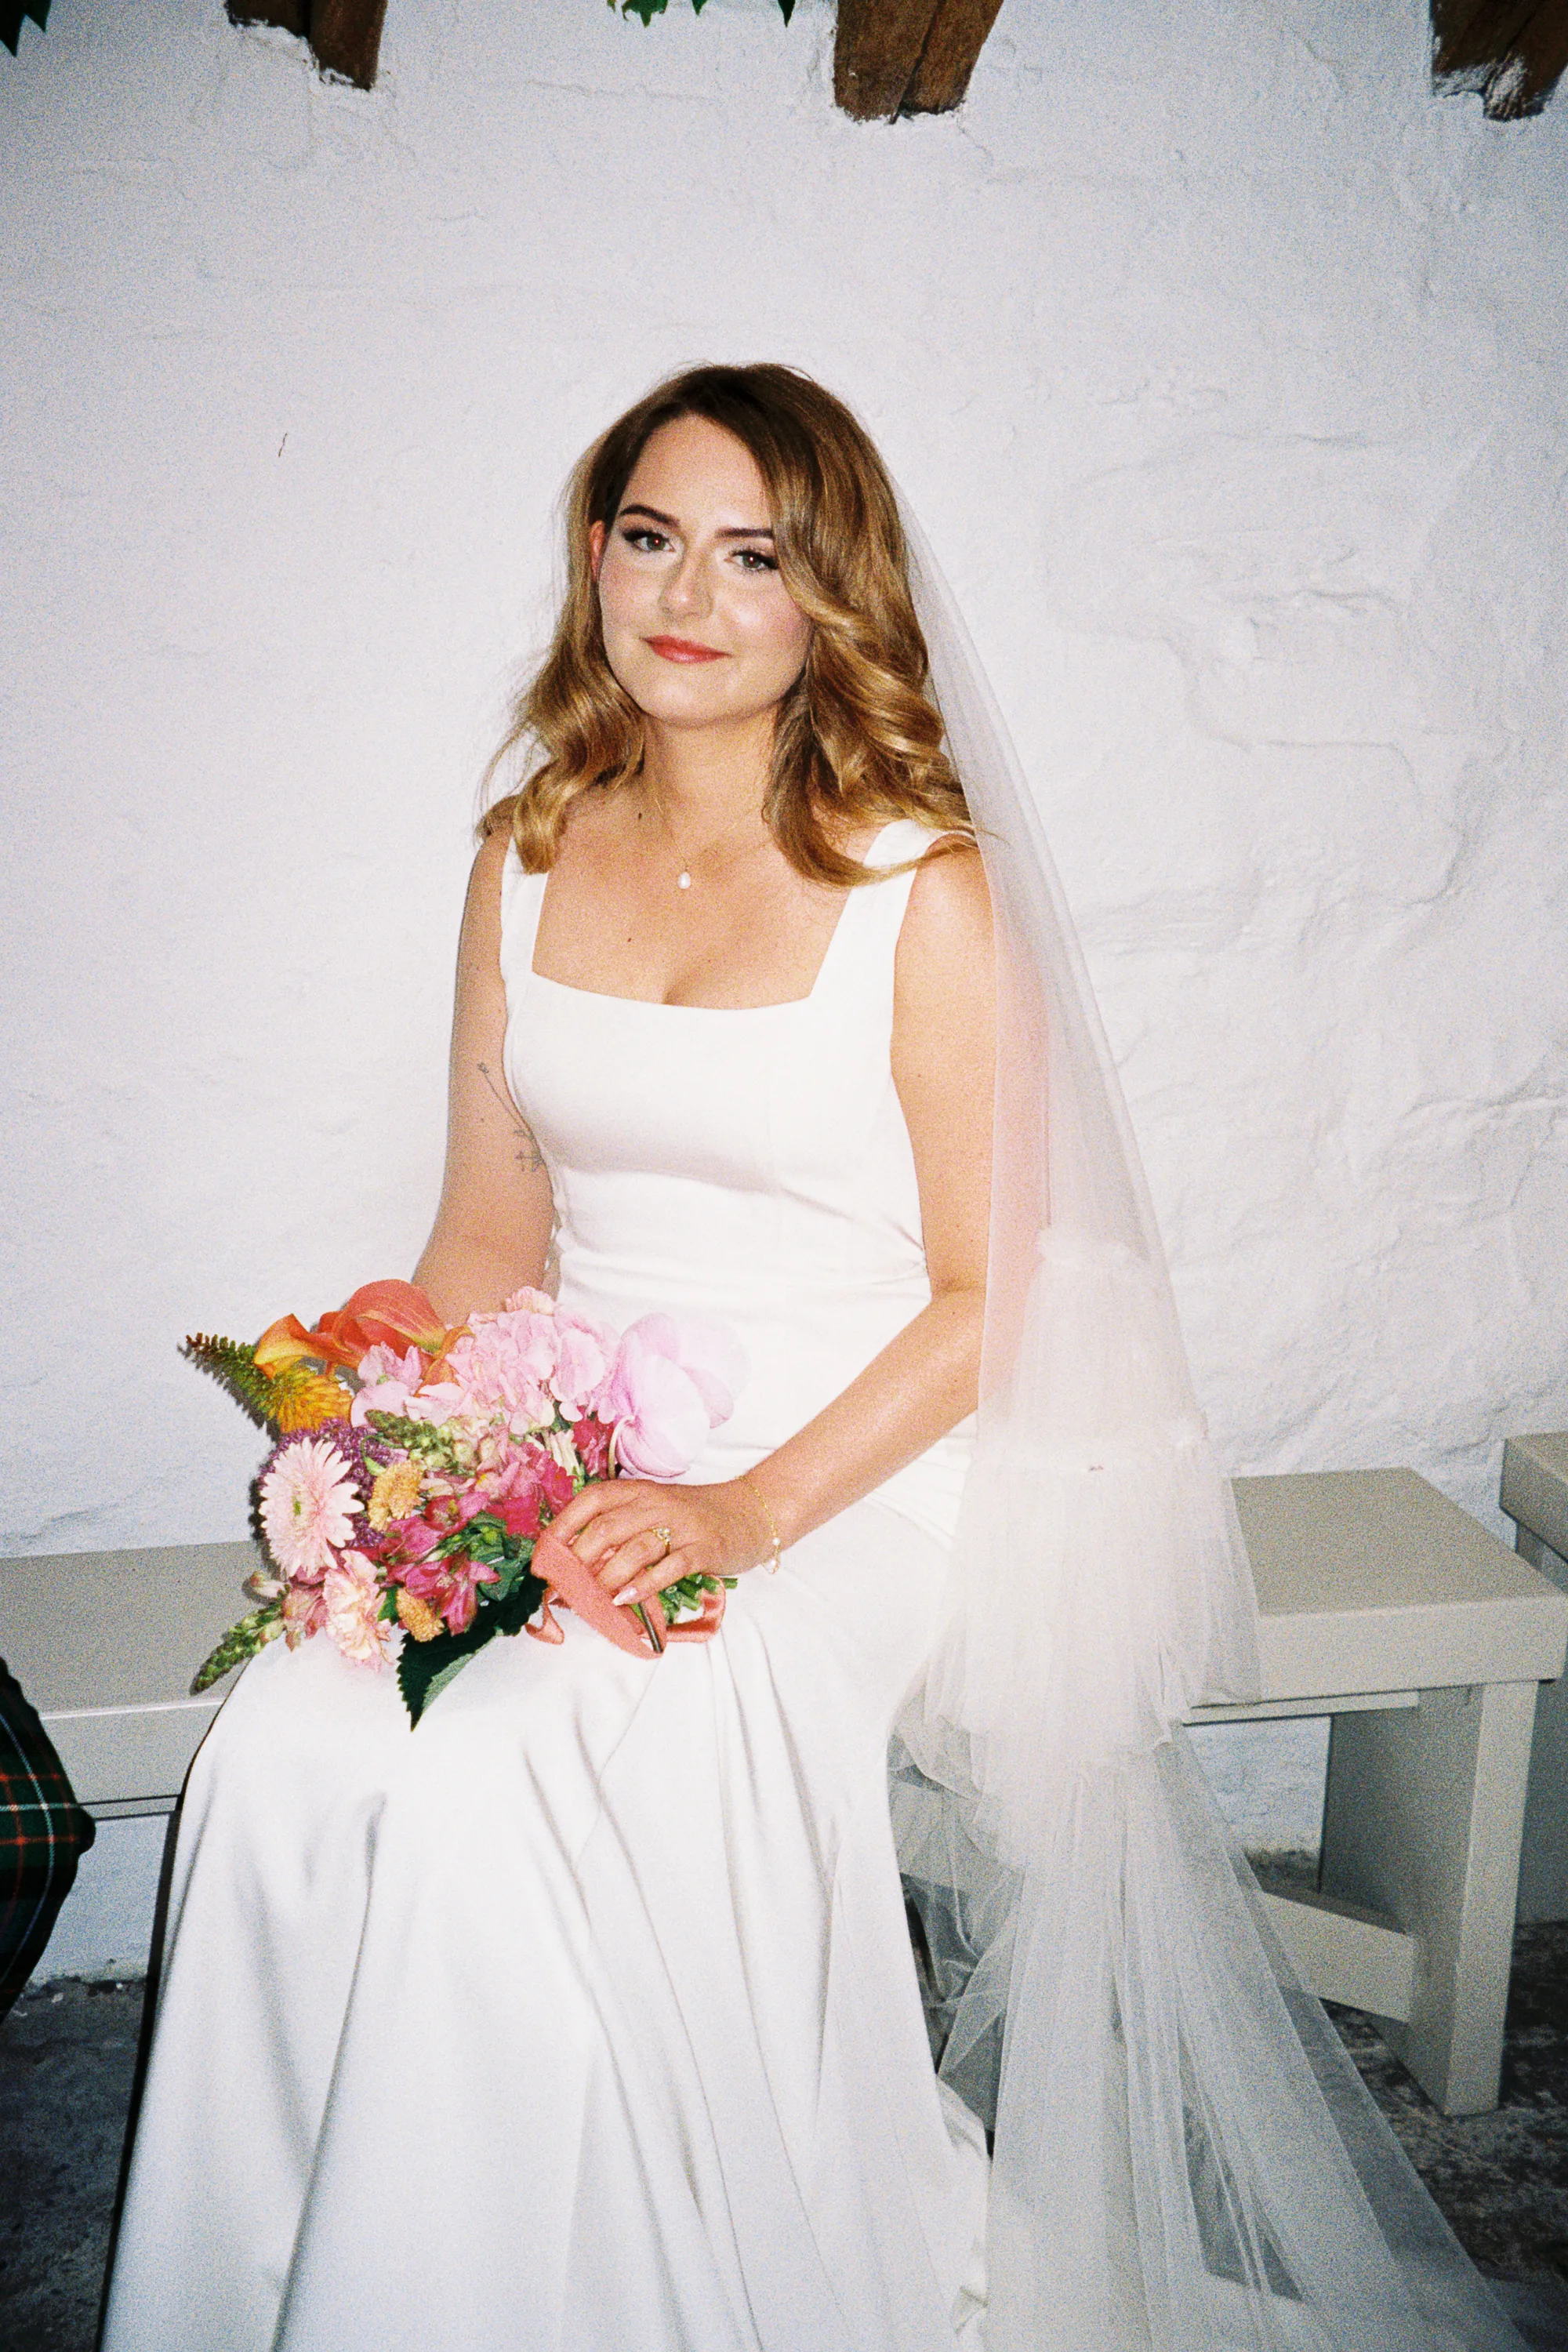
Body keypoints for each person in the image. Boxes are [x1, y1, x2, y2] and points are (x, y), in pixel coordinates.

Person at [103, 365, 1525, 2352]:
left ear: (825, 592)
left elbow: (991, 1296)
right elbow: (490, 1241)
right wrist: (380, 1421)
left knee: (502, 1777)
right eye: (649, 537)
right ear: (595, 558)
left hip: (848, 1475)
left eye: (752, 555)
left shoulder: (914, 889)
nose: (687, 595)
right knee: (284, 1749)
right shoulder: (520, 858)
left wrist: (742, 1511)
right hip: (581, 1439)